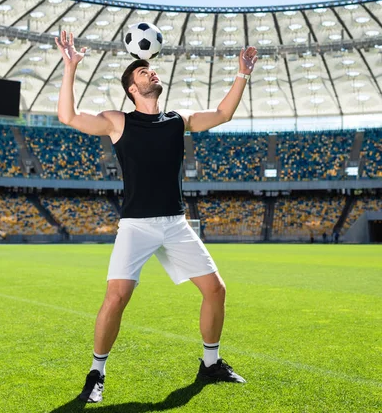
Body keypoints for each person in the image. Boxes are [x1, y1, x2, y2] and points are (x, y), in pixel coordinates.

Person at [55, 30, 258, 404]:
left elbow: (224, 114)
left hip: (175, 224)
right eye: (143, 72)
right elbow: (67, 115)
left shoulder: (177, 120)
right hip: (137, 226)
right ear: (132, 88)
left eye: (152, 70)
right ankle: (96, 373)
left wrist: (242, 73)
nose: (152, 74)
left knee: (216, 290)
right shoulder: (118, 122)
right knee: (116, 297)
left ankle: (210, 364)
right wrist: (70, 67)